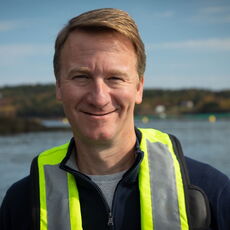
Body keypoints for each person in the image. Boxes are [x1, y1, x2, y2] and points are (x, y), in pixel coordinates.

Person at [0, 8, 229, 230]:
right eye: (81, 76)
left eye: (115, 78)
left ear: (139, 88)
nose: (99, 98)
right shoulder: (21, 202)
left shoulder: (210, 192)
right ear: (59, 87)